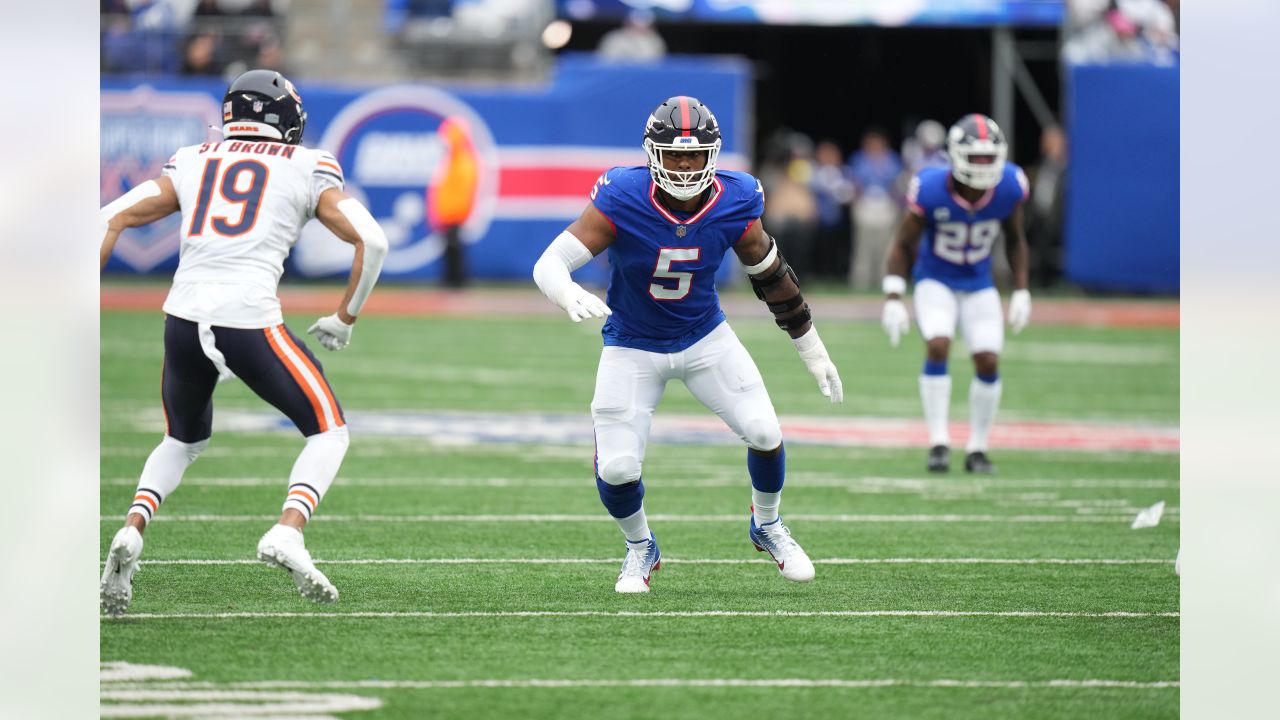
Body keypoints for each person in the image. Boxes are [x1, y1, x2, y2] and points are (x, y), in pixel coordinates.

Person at [98, 69, 389, 616]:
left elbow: (108, 218)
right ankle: (288, 531)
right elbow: (373, 240)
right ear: (283, 115)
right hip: (247, 321)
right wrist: (346, 316)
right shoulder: (309, 165)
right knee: (329, 432)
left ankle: (132, 529)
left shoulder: (192, 157)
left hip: (181, 319)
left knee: (182, 441)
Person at [532, 96, 843, 593]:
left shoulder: (736, 198)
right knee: (616, 467)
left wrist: (812, 348)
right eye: (673, 154)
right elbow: (548, 263)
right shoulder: (623, 195)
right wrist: (565, 289)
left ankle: (767, 525)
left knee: (765, 431)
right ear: (652, 153)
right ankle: (640, 547)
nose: (683, 165)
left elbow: (771, 275)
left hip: (705, 337)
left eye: (693, 155)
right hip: (632, 343)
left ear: (711, 155)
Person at [880, 114, 1031, 474]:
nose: (983, 166)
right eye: (975, 158)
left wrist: (1022, 290)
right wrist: (893, 295)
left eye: (988, 157)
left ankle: (978, 448)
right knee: (938, 344)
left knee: (989, 359)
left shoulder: (1009, 185)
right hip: (936, 280)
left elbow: (1015, 239)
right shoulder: (930, 188)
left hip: (979, 283)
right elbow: (903, 244)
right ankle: (938, 442)